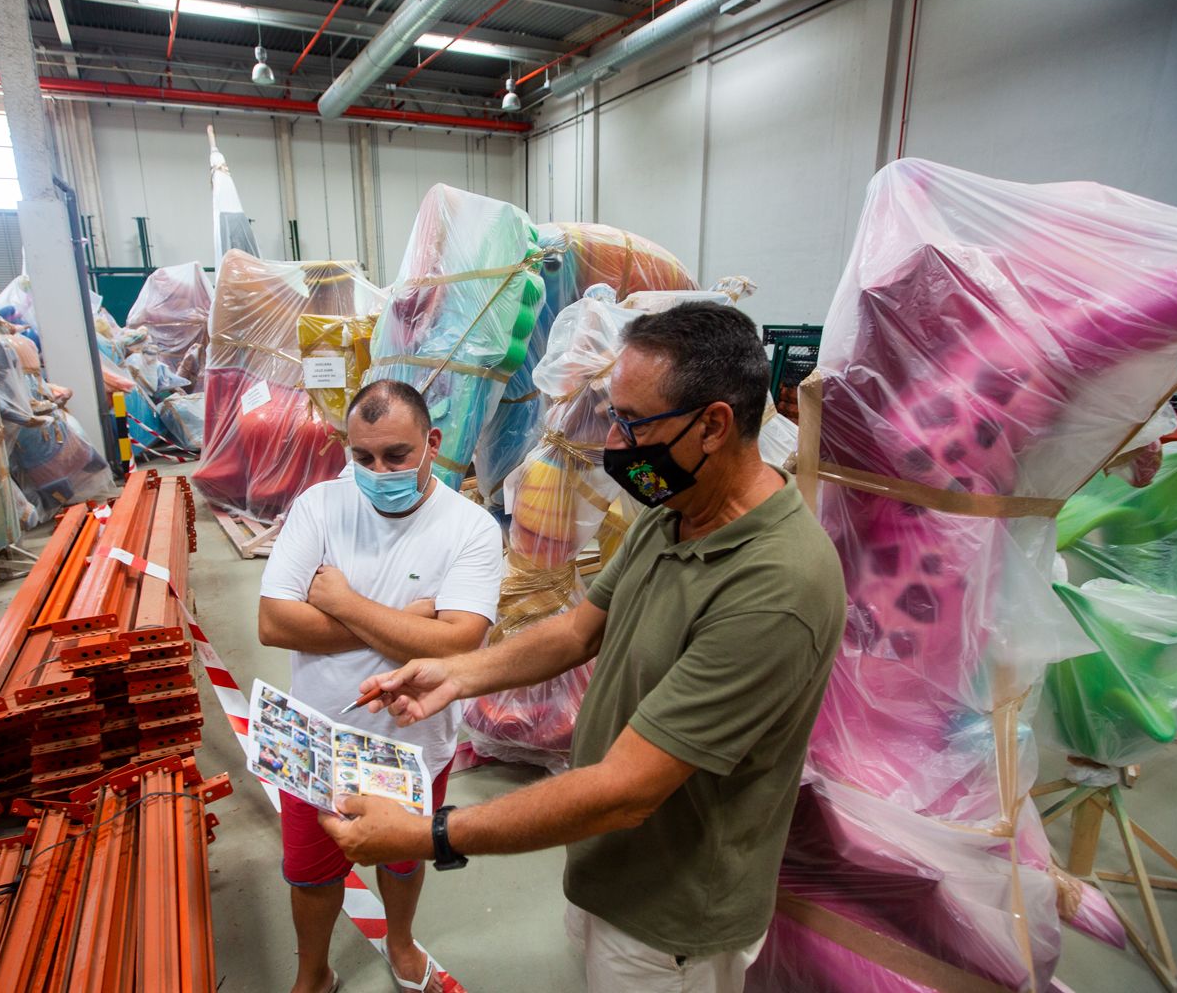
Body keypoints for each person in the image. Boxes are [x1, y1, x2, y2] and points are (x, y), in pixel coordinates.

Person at [321, 303, 846, 993]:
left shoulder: (775, 586)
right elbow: (578, 631)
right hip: (608, 867)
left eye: (633, 423)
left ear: (713, 425)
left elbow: (627, 792)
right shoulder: (675, 511)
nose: (615, 443)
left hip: (670, 916)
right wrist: (456, 673)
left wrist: (430, 835)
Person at [259, 378, 504, 993]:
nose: (377, 470)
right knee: (310, 872)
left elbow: (460, 644)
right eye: (361, 456)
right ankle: (312, 973)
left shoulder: (471, 528)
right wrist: (414, 621)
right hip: (316, 737)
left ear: (432, 443)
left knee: (403, 856)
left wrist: (343, 602)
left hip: (414, 740)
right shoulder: (320, 506)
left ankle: (399, 941)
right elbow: (273, 623)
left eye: (396, 455)